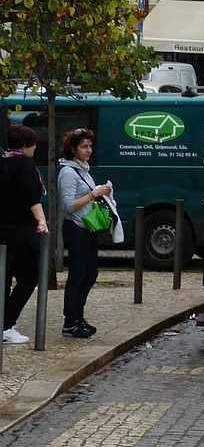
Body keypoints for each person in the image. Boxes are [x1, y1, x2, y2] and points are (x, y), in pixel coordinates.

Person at [58, 128, 113, 339]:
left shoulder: (83, 170)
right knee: (78, 275)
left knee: (90, 274)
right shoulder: (68, 172)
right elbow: (69, 206)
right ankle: (70, 321)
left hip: (88, 227)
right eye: (83, 146)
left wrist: (102, 192)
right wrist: (93, 194)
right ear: (73, 149)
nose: (88, 150)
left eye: (90, 146)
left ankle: (78, 316)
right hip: (76, 227)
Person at [0, 124, 49, 345]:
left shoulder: (3, 161)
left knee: (4, 278)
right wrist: (41, 220)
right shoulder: (25, 164)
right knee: (29, 277)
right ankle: (6, 325)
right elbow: (32, 196)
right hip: (21, 230)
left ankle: (4, 323)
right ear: (27, 144)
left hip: (2, 229)